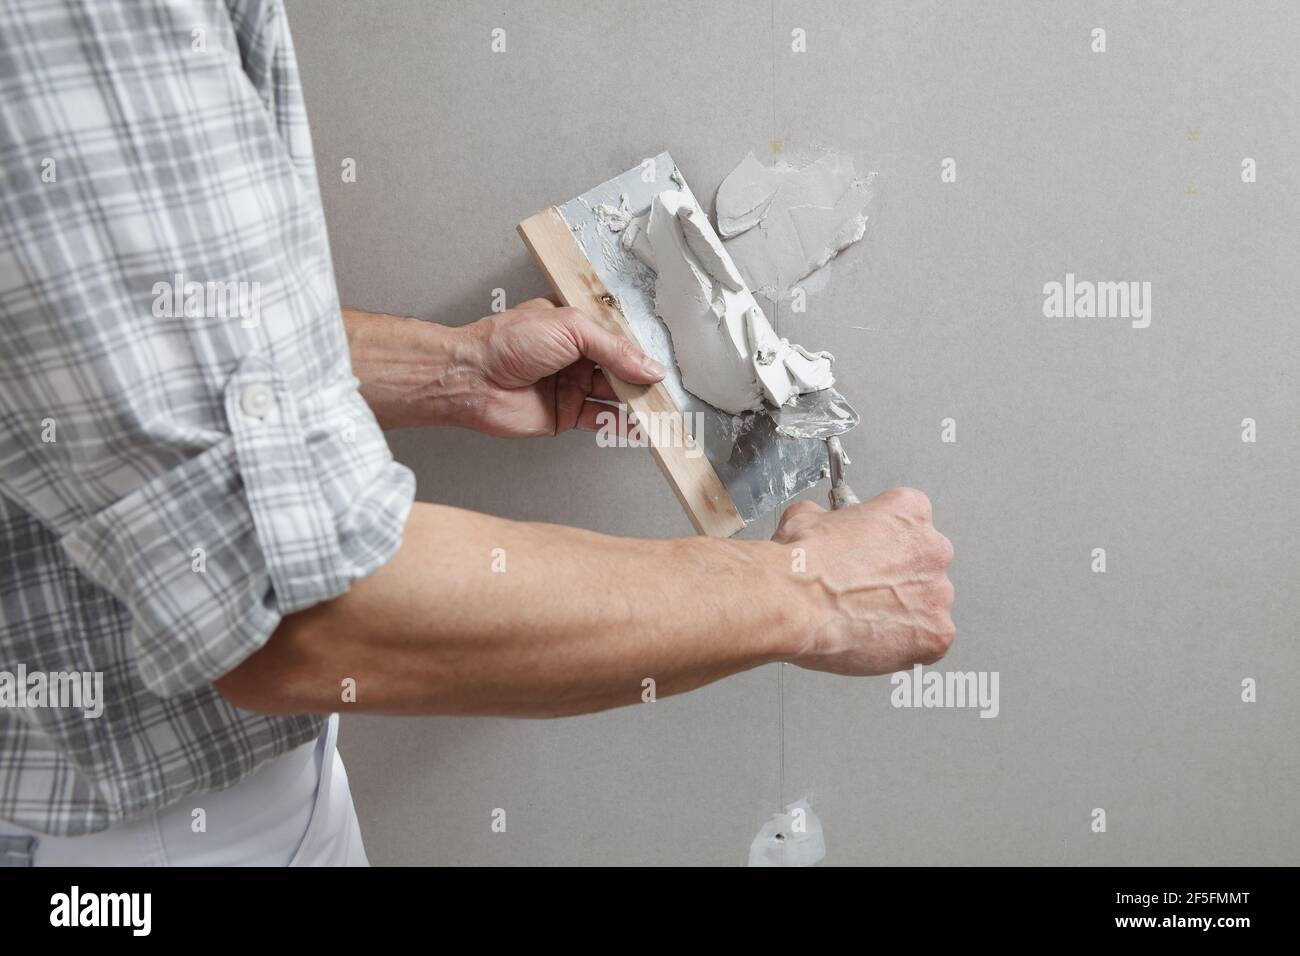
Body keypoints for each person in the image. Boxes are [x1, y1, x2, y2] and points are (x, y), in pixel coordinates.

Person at [0, 0, 954, 866]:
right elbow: (296, 616)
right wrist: (808, 591)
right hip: (122, 838)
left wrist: (449, 370)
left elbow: (109, 344)